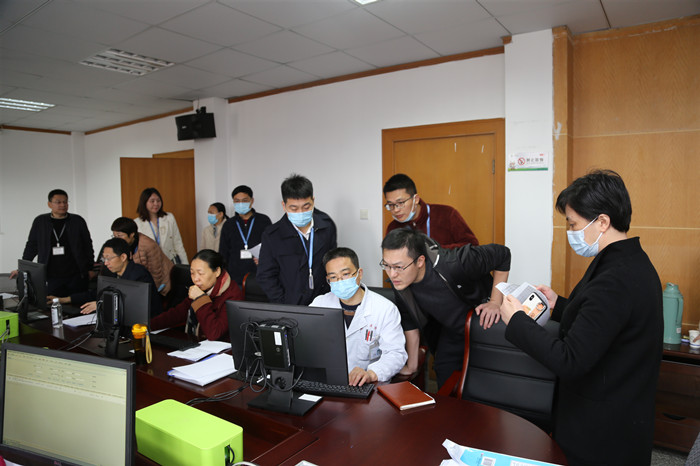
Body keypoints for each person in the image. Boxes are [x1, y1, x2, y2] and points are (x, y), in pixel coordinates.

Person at [499, 170, 663, 466]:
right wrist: (558, 305)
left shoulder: (615, 279)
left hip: (603, 430)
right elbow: (605, 322)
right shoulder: (629, 261)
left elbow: (570, 359)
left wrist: (518, 321)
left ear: (602, 222)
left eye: (573, 224)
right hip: (621, 410)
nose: (571, 232)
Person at [381, 228, 510, 387]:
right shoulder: (400, 283)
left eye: (398, 267)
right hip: (453, 331)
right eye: (386, 265)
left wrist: (495, 302)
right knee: (443, 369)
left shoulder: (455, 263)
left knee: (487, 381)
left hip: (483, 324)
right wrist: (412, 365)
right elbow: (410, 323)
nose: (392, 274)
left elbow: (502, 254)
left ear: (420, 261)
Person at [310, 248, 407, 386]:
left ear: (359, 274)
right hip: (328, 382)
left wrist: (371, 373)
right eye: (333, 277)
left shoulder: (385, 309)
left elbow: (396, 354)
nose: (339, 281)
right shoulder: (319, 304)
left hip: (369, 385)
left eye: (345, 274)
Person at [257, 174, 337, 305]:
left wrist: (330, 297)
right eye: (293, 208)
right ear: (284, 206)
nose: (300, 212)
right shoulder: (272, 235)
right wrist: (283, 303)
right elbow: (265, 276)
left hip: (323, 301)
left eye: (306, 207)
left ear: (313, 201)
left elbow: (333, 264)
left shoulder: (326, 226)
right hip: (289, 304)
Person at [11, 189, 94, 296]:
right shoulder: (40, 221)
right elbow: (31, 246)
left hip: (76, 274)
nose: (62, 205)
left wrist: (90, 268)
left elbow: (87, 245)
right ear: (49, 204)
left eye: (65, 202)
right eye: (58, 202)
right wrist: (22, 268)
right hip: (51, 276)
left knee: (78, 303)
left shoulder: (77, 220)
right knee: (52, 302)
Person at [48, 238, 161, 315]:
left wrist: (102, 305)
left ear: (123, 257)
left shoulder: (138, 274)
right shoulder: (111, 272)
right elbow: (97, 293)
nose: (105, 263)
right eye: (104, 258)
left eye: (109, 258)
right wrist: (64, 299)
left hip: (147, 324)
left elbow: (134, 303)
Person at [150, 249, 243, 341]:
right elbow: (177, 314)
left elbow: (214, 333)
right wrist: (148, 325)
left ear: (217, 272)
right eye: (192, 273)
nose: (195, 279)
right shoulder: (202, 287)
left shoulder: (232, 295)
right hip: (197, 342)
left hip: (223, 347)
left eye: (200, 273)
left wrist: (200, 299)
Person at [383, 174, 478, 249]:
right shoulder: (393, 228)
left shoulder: (447, 214)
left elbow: (472, 246)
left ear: (416, 199)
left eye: (400, 203)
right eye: (390, 205)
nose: (395, 210)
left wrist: (435, 251)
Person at [219, 186, 272, 286]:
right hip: (234, 276)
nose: (240, 203)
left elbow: (271, 247)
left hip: (259, 274)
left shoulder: (264, 221)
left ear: (252, 201)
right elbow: (223, 252)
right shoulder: (229, 224)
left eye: (244, 200)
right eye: (237, 201)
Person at [111, 217, 173, 295]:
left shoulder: (148, 245)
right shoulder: (123, 245)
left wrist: (148, 294)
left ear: (132, 234)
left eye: (120, 236)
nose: (116, 240)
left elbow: (156, 274)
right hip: (140, 284)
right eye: (114, 236)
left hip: (162, 286)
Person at [134, 187, 188, 264]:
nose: (156, 204)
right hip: (150, 264)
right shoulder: (137, 223)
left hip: (170, 261)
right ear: (144, 202)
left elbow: (178, 243)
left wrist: (185, 265)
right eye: (152, 201)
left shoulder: (169, 217)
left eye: (158, 201)